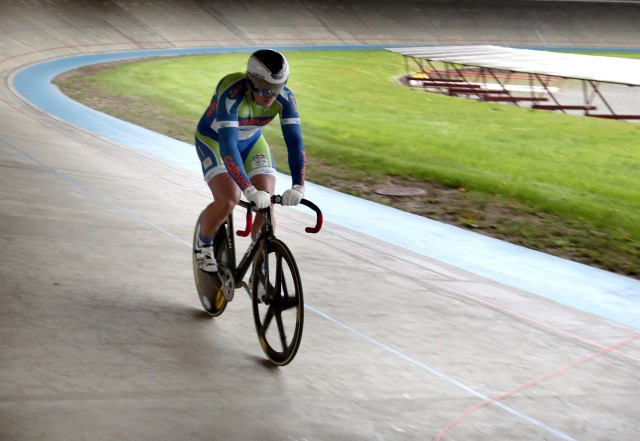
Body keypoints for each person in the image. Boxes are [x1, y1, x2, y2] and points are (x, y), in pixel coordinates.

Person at [193, 49, 306, 273]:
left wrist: (298, 185)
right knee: (229, 199)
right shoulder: (231, 92)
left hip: (252, 141)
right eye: (263, 91)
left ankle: (259, 269)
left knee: (267, 206)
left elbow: (295, 143)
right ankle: (203, 243)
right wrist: (248, 189)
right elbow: (228, 146)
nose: (269, 97)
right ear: (250, 82)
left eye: (275, 91)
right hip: (215, 142)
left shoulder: (285, 98)